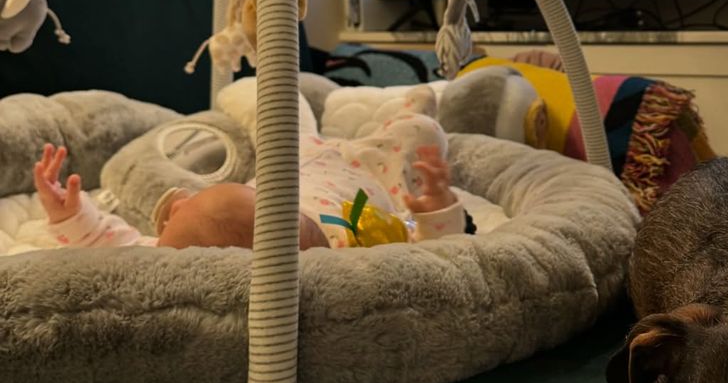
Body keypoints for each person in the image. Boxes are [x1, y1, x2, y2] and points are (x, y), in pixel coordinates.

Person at [33, 116, 468, 251]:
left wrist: (71, 214)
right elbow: (425, 256)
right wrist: (437, 210)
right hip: (356, 181)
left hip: (294, 164)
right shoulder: (345, 243)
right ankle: (408, 110)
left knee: (280, 111)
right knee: (420, 130)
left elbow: (108, 242)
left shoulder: (164, 253)